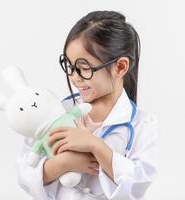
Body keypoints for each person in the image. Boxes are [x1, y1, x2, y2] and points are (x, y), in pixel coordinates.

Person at [16, 10, 158, 200]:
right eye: (70, 66)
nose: (75, 78)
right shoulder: (57, 112)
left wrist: (95, 145)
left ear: (121, 67)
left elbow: (138, 184)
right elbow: (25, 173)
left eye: (84, 69)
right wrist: (64, 163)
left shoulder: (143, 123)